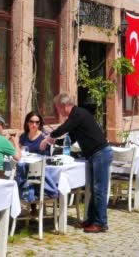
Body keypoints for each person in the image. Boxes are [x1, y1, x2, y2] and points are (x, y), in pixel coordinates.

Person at [40, 93, 112, 233]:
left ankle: (101, 223)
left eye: (57, 108)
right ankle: (91, 220)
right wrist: (55, 142)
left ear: (63, 105)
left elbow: (64, 127)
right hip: (93, 155)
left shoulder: (78, 114)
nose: (57, 111)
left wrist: (49, 137)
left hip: (100, 153)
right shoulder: (75, 118)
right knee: (93, 189)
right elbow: (70, 139)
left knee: (99, 190)